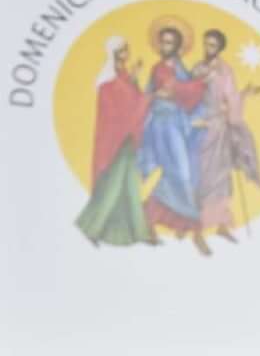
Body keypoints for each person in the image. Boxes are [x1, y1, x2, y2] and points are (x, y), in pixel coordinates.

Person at [75, 36, 156, 246]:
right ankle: (91, 228)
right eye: (123, 50)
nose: (127, 53)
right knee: (112, 187)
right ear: (115, 54)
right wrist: (151, 97)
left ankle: (138, 231)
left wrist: (134, 78)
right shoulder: (108, 81)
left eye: (127, 49)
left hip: (126, 140)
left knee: (130, 186)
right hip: (115, 143)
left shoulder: (122, 75)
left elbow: (131, 97)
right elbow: (125, 108)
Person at [138, 21, 210, 255]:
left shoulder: (181, 70)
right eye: (162, 42)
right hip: (160, 126)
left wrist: (200, 114)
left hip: (177, 125)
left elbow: (192, 96)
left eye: (169, 43)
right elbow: (147, 96)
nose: (164, 46)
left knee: (182, 176)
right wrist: (156, 95)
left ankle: (152, 221)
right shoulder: (156, 68)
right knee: (177, 175)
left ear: (178, 46)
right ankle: (192, 231)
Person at [190, 28, 260, 250]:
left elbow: (231, 100)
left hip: (220, 129)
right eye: (206, 44)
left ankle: (221, 225)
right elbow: (187, 95)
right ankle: (197, 232)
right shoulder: (198, 68)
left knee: (221, 180)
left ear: (220, 48)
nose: (208, 48)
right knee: (203, 180)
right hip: (201, 127)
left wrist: (244, 95)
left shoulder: (225, 71)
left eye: (212, 45)